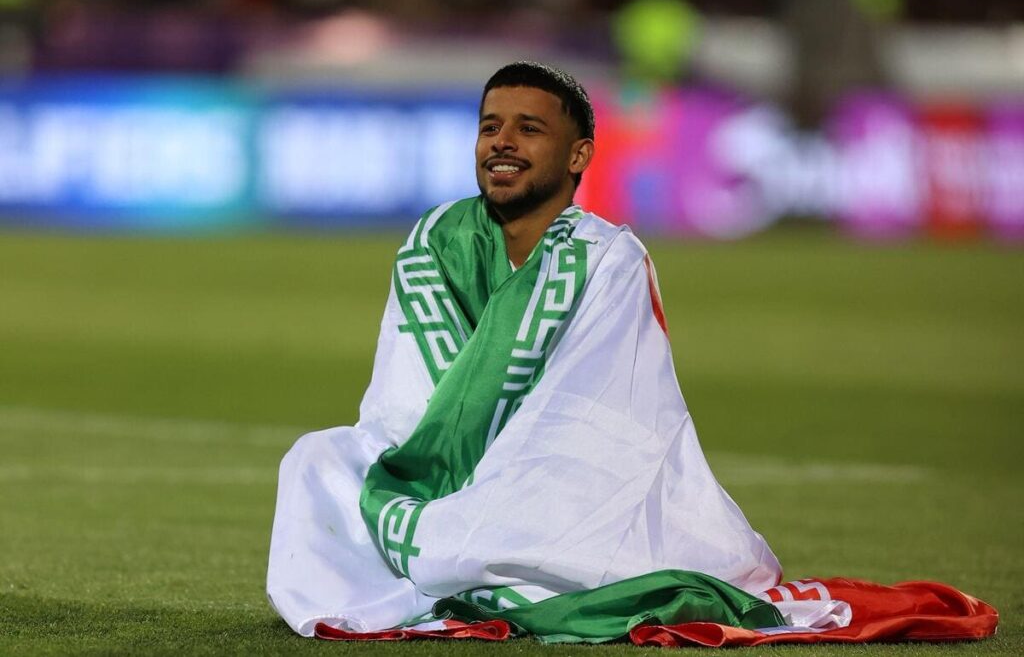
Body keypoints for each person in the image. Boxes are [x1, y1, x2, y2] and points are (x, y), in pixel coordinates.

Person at [265, 63, 995, 645]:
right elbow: (407, 394)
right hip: (438, 474)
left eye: (528, 128)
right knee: (312, 465)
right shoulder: (436, 239)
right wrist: (445, 477)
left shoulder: (608, 257)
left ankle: (464, 548)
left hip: (563, 479)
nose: (502, 142)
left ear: (579, 152)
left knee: (507, 520)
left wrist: (494, 472)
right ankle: (452, 540)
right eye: (490, 126)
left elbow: (601, 409)